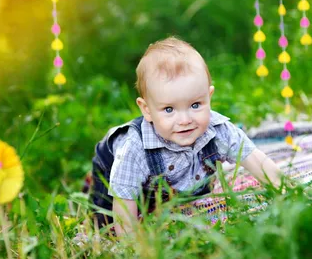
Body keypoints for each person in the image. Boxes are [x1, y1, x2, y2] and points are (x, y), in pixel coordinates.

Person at [91, 36, 283, 237]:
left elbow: (256, 160)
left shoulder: (219, 131)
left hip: (177, 181)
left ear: (209, 97)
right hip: (111, 166)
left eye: (195, 105)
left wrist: (284, 188)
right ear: (147, 110)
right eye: (168, 109)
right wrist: (130, 243)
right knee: (107, 225)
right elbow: (124, 201)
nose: (184, 120)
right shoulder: (133, 148)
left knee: (196, 200)